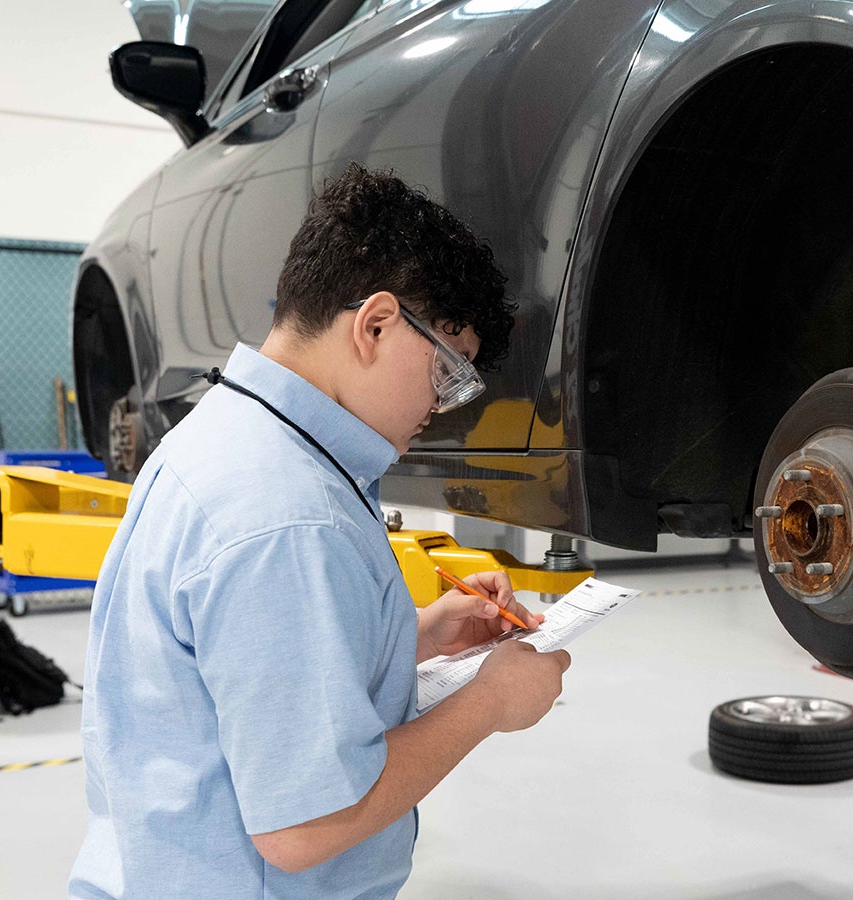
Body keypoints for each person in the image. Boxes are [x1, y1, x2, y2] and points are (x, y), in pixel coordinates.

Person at [69, 164, 571, 899]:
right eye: (448, 373)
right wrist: (490, 702)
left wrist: (417, 636)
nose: (444, 405)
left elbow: (237, 670)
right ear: (374, 325)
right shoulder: (288, 516)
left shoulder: (235, 438)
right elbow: (307, 828)